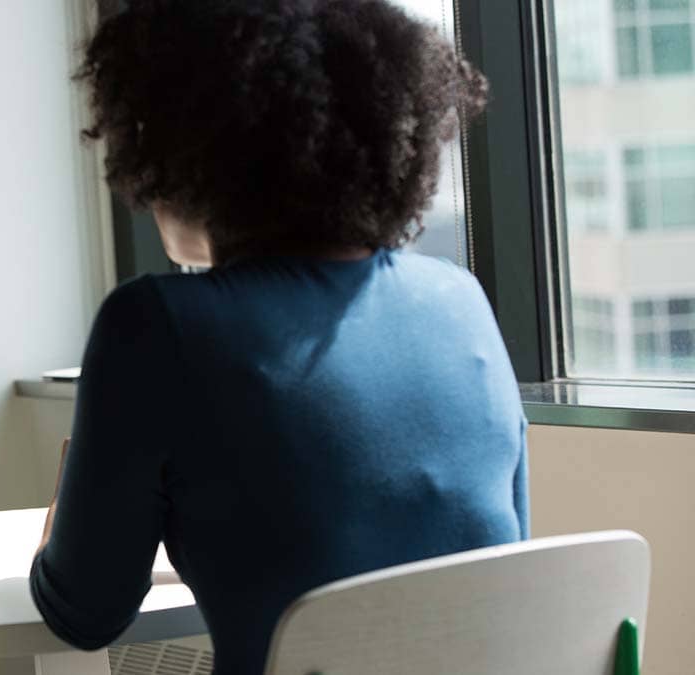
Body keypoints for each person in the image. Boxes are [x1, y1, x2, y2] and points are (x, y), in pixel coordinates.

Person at [29, 1, 526, 673]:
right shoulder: (461, 301)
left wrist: (63, 521)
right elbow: (507, 558)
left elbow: (85, 613)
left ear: (183, 146)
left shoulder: (154, 326)